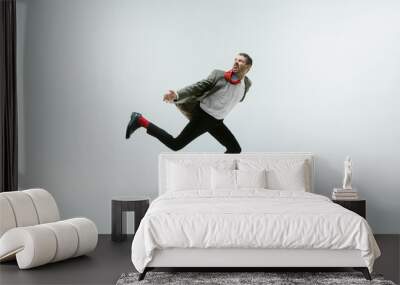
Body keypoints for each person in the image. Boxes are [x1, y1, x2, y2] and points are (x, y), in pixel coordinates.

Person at [125, 53, 253, 153]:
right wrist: (177, 94)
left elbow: (238, 98)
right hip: (204, 116)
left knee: (235, 149)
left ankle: (220, 175)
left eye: (240, 60)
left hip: (217, 121)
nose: (236, 61)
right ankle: (140, 120)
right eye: (235, 59)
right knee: (176, 144)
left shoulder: (246, 84)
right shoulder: (219, 75)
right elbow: (198, 86)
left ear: (247, 67)